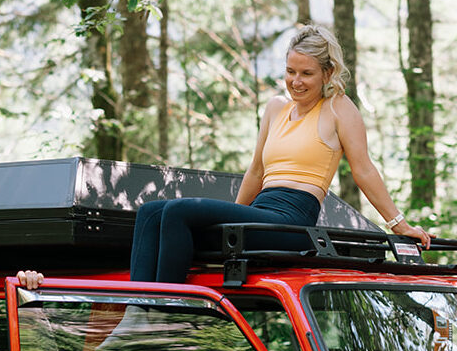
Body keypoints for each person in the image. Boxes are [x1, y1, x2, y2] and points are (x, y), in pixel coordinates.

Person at [130, 23, 432, 284]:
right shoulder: (276, 108)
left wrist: (399, 224)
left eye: (306, 73)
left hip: (293, 222)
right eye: (290, 71)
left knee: (178, 210)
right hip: (261, 214)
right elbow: (256, 172)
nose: (296, 82)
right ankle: (137, 312)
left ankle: (162, 312)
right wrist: (230, 223)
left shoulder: (337, 107)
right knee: (150, 212)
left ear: (327, 73)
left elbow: (363, 169)